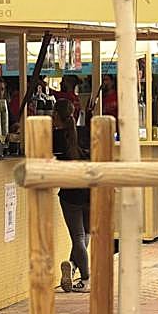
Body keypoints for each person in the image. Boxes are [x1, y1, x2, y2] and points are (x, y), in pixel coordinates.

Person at [52, 99, 90, 293]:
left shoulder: (56, 138)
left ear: (56, 116)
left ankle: (86, 277)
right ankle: (74, 268)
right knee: (85, 235)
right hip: (91, 191)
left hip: (70, 192)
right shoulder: (84, 133)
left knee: (77, 236)